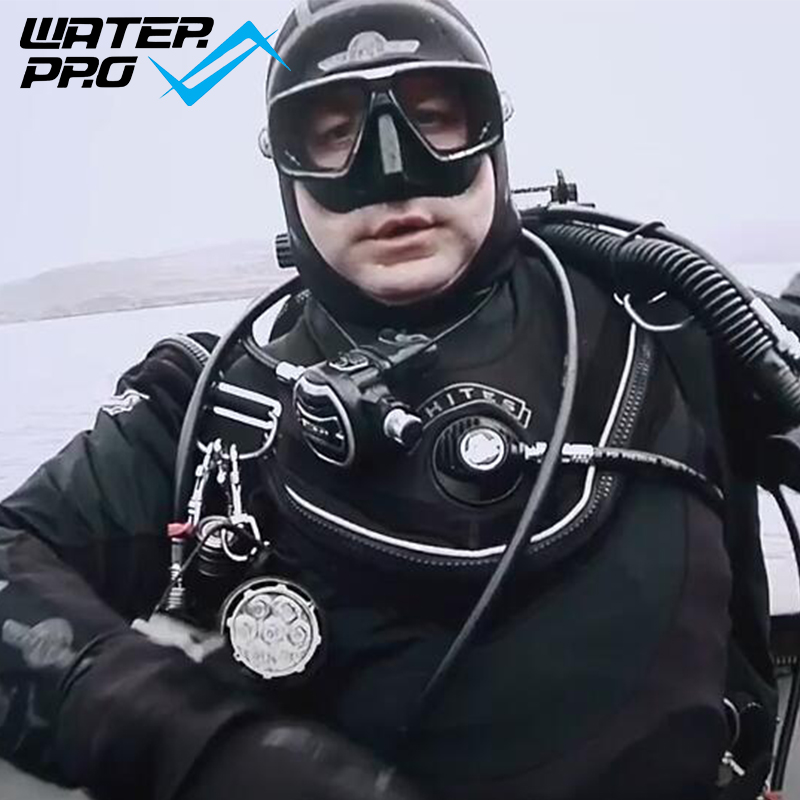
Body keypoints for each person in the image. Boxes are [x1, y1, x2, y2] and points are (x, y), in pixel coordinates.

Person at [1, 1, 799, 798]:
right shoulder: (211, 416)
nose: (391, 172)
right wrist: (197, 747)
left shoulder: (671, 327)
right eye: (334, 134)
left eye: (435, 119)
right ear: (287, 171)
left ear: (491, 134)